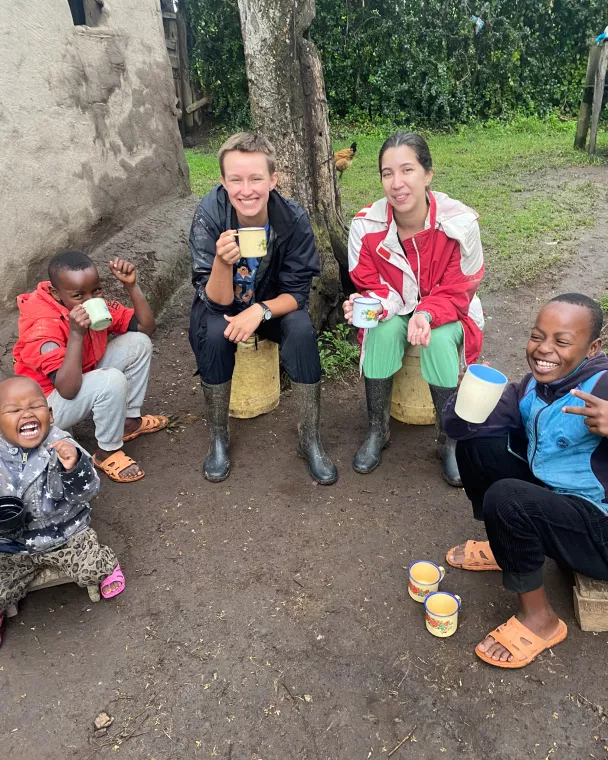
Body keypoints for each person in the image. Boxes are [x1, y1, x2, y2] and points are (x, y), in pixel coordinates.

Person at [444, 293, 608, 668]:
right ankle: (508, 549)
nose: (543, 349)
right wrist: (465, 399)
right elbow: (457, 428)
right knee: (477, 443)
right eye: (537, 336)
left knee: (509, 498)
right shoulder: (531, 387)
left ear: (593, 347)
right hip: (558, 506)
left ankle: (541, 619)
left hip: (600, 532)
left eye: (562, 341)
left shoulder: (602, 387)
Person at [188, 132, 337, 485]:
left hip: (271, 304)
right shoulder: (210, 215)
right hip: (221, 304)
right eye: (236, 179)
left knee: (300, 328)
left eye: (256, 178)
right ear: (222, 182)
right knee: (212, 331)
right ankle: (219, 438)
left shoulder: (293, 219)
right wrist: (223, 264)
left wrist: (259, 311)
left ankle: (310, 437)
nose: (247, 189)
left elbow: (297, 294)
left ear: (273, 179)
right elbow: (214, 301)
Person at [343, 131, 484, 485]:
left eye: (407, 170)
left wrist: (425, 313)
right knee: (380, 329)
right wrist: (367, 306)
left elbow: (459, 289)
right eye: (387, 173)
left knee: (436, 339)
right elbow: (370, 283)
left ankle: (449, 440)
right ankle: (378, 429)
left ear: (428, 174)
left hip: (449, 310)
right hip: (395, 306)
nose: (397, 183)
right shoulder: (365, 225)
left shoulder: (460, 223)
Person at [13, 251, 168, 483]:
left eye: (96, 290)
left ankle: (127, 422)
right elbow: (67, 390)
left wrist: (131, 286)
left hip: (79, 378)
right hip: (46, 406)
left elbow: (146, 327)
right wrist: (76, 333)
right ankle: (106, 452)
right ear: (56, 294)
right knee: (111, 379)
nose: (90, 299)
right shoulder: (43, 327)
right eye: (78, 295)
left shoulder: (93, 304)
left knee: (139, 343)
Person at [0, 377, 124, 649]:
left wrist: (75, 467)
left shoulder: (63, 446)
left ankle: (107, 564)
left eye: (35, 406)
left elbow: (89, 491)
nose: (27, 413)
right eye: (14, 410)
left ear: (51, 414)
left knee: (92, 569)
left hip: (66, 534)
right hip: (14, 547)